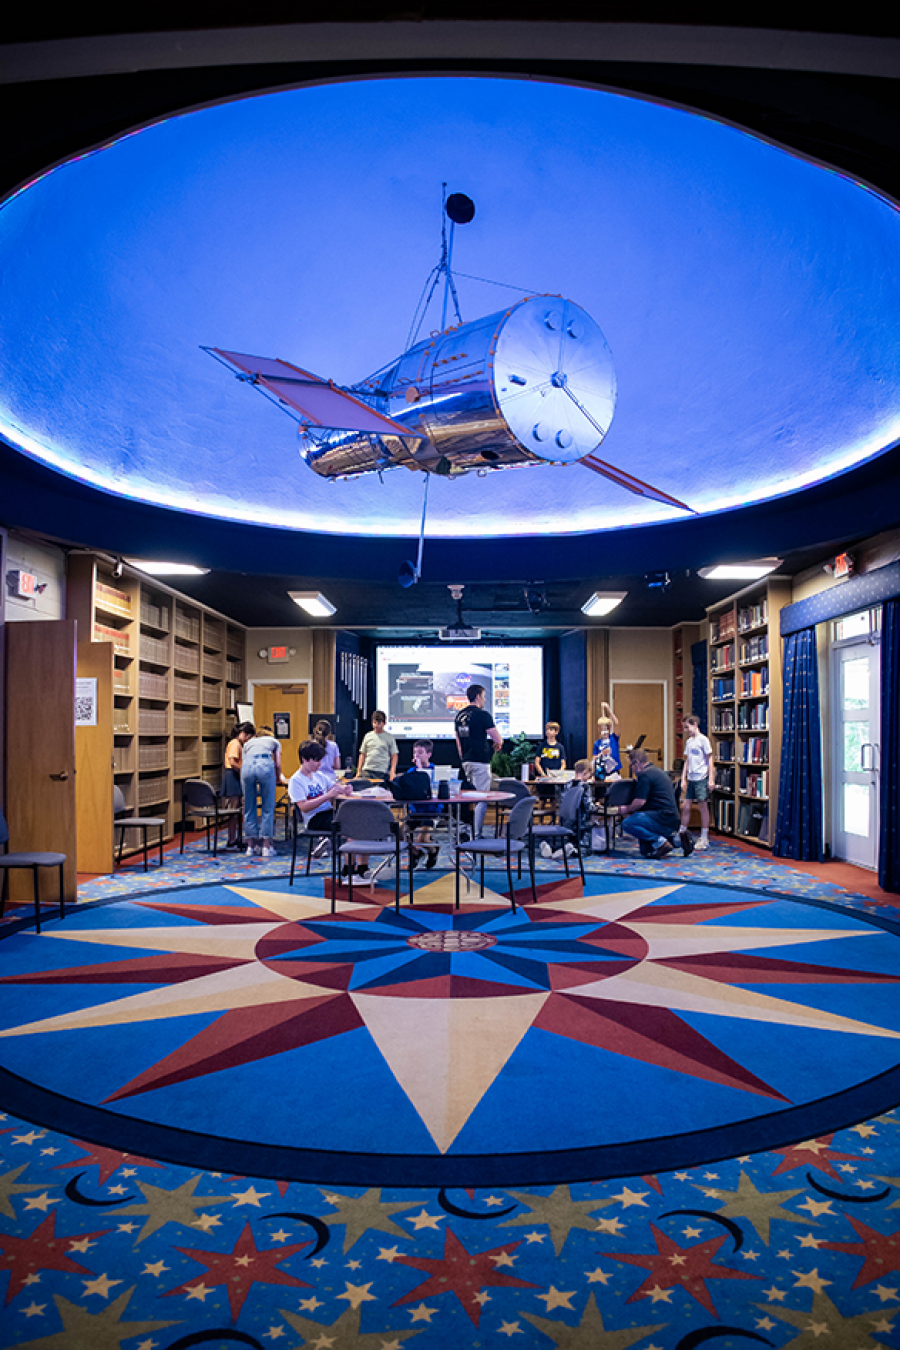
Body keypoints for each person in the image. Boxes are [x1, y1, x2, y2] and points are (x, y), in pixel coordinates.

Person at [620, 747, 693, 859]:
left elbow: (640, 802)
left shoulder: (644, 775)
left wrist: (626, 809)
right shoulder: (659, 771)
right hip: (671, 819)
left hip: (660, 817)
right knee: (645, 850)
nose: (632, 769)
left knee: (628, 823)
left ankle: (660, 843)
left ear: (636, 762)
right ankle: (678, 839)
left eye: (631, 765)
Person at [454, 684, 502, 839]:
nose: (485, 699)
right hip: (480, 761)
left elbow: (458, 742)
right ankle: (477, 834)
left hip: (466, 761)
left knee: (466, 797)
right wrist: (497, 744)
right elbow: (497, 739)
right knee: (481, 798)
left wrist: (463, 759)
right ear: (478, 696)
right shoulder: (483, 715)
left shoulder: (459, 716)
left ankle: (465, 829)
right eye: (484, 696)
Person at [288, 739, 353, 838]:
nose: (320, 764)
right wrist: (327, 796)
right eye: (316, 760)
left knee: (355, 819)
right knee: (349, 824)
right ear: (304, 759)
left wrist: (344, 788)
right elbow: (303, 807)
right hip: (313, 819)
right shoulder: (296, 780)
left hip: (328, 813)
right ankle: (340, 849)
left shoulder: (318, 775)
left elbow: (333, 785)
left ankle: (337, 848)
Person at [240, 725, 287, 859]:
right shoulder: (274, 742)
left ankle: (250, 846)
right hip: (265, 766)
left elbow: (244, 761)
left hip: (247, 768)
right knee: (268, 807)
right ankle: (266, 846)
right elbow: (277, 764)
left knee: (249, 807)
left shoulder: (248, 743)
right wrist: (278, 778)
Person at [403, 739, 443, 869]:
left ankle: (433, 850)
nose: (416, 756)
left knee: (422, 839)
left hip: (432, 812)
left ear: (429, 754)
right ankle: (415, 853)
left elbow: (426, 785)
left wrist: (420, 768)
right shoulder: (411, 772)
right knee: (399, 831)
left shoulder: (437, 771)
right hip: (415, 812)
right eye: (415, 753)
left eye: (420, 753)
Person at [680, 714, 714, 850]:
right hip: (691, 778)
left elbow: (710, 759)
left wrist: (711, 778)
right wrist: (683, 778)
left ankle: (704, 836)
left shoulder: (703, 740)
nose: (686, 730)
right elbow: (687, 761)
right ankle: (681, 832)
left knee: (702, 806)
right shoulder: (689, 742)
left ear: (695, 725)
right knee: (686, 806)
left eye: (687, 727)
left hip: (701, 777)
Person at [222, 721, 253, 848]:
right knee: (234, 810)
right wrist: (243, 770)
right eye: (247, 737)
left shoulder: (238, 744)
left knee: (237, 811)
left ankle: (236, 837)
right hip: (233, 776)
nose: (247, 740)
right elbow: (233, 761)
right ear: (242, 734)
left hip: (235, 776)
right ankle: (232, 838)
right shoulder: (235, 743)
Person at [356, 710, 398, 782]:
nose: (376, 725)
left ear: (384, 723)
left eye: (378, 723)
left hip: (381, 771)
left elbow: (394, 755)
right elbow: (362, 754)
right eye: (374, 723)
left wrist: (392, 771)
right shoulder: (368, 736)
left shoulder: (389, 737)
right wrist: (358, 771)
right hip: (367, 770)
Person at [592, 701, 621, 780]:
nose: (604, 731)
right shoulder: (597, 743)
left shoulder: (613, 738)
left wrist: (608, 710)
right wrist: (602, 753)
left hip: (614, 771)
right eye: (601, 729)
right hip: (602, 772)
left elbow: (616, 723)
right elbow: (594, 759)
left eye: (606, 728)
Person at [313, 719, 342, 783]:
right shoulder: (334, 745)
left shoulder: (311, 745)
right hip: (330, 779)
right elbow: (337, 766)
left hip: (314, 778)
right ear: (329, 733)